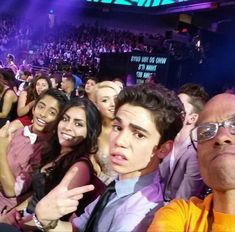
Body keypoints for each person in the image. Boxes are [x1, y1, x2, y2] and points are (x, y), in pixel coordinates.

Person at [31, 83, 184, 232]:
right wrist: (43, 219)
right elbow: (77, 228)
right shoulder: (120, 184)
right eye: (118, 128)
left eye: (138, 135)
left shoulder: (137, 216)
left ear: (163, 149)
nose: (119, 141)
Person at [148, 92, 235, 231]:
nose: (221, 137)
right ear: (198, 155)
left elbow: (186, 190)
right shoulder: (180, 215)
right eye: (206, 131)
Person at [0, 89, 68, 212]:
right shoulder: (18, 131)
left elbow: (11, 190)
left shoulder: (46, 151)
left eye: (52, 112)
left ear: (58, 120)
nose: (43, 114)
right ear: (33, 109)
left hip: (5, 207)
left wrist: (1, 149)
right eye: (41, 107)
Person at [159, 83, 209, 201]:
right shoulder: (166, 138)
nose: (173, 108)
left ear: (192, 118)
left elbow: (183, 199)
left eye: (180, 107)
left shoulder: (196, 152)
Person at [90, 81, 121, 185]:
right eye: (105, 100)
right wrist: (92, 161)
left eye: (116, 99)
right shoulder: (93, 130)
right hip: (101, 186)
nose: (113, 104)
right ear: (96, 105)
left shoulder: (130, 130)